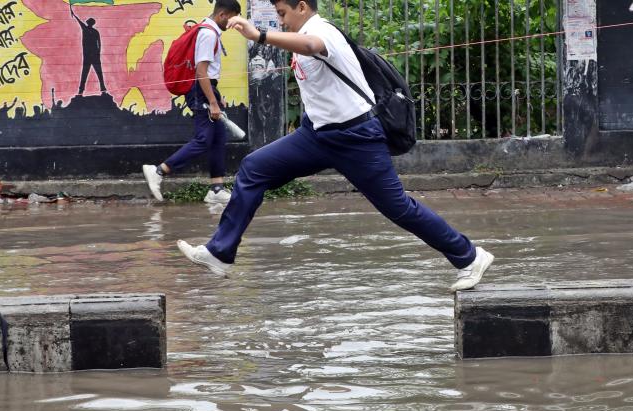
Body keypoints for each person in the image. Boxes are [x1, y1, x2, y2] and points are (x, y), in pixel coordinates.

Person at [176, 0, 494, 292]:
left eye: (283, 14)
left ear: (302, 7)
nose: (281, 22)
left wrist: (259, 35)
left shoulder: (320, 31)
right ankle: (220, 252)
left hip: (355, 137)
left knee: (398, 208)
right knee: (254, 168)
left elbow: (312, 45)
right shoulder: (301, 32)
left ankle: (470, 257)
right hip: (316, 135)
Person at [142, 0, 242, 205]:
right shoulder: (208, 33)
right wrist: (212, 102)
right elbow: (200, 72)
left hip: (206, 88)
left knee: (218, 138)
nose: (234, 23)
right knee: (204, 139)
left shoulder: (208, 30)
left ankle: (216, 189)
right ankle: (159, 171)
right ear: (223, 14)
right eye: (233, 18)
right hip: (199, 90)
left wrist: (216, 94)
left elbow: (208, 73)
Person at [71, 4, 107, 96]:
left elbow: (99, 43)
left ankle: (99, 89)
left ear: (90, 23)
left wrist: (98, 53)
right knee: (91, 72)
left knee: (89, 72)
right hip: (91, 55)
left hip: (91, 55)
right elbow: (100, 44)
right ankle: (85, 90)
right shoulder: (90, 30)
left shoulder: (89, 30)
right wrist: (74, 14)